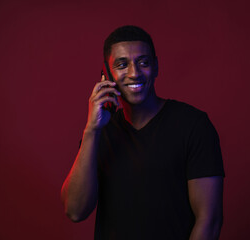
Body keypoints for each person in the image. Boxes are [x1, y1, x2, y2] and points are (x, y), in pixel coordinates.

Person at [61, 25, 225, 240]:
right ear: (107, 73)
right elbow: (75, 210)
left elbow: (209, 220)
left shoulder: (193, 125)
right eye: (122, 64)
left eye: (143, 62)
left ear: (156, 67)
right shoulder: (100, 133)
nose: (134, 73)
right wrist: (92, 130)